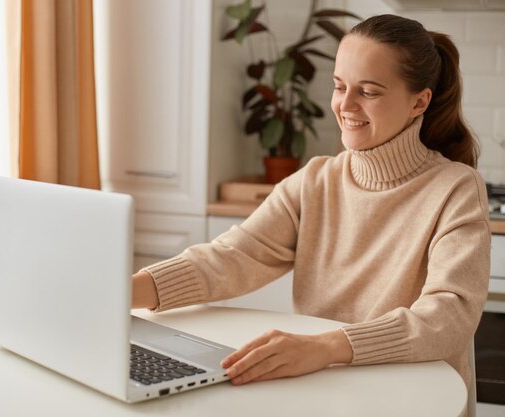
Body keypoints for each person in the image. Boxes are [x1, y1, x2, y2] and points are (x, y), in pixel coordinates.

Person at [131, 13, 490, 399]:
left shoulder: (456, 188)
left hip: (414, 394)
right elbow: (232, 256)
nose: (345, 105)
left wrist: (325, 347)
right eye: (339, 86)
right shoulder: (317, 180)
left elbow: (448, 318)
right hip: (326, 386)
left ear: (419, 102)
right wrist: (122, 292)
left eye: (368, 91)